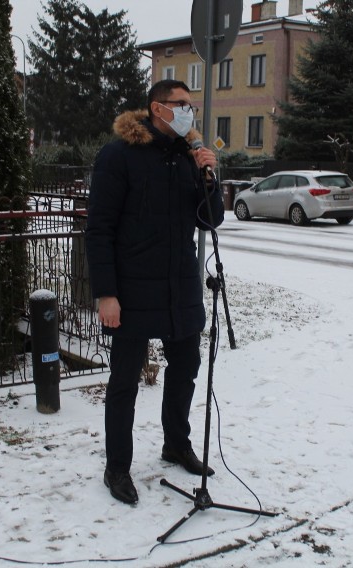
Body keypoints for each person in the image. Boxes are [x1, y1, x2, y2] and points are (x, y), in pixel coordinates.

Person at [85, 80, 225, 504]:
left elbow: (210, 220)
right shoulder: (119, 155)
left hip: (179, 285)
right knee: (125, 381)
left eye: (190, 105)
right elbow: (99, 229)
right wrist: (105, 293)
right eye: (180, 105)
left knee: (185, 369)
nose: (188, 112)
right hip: (130, 289)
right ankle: (117, 467)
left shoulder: (188, 157)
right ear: (157, 108)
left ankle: (176, 443)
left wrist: (210, 176)